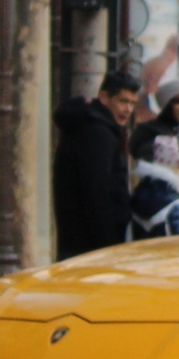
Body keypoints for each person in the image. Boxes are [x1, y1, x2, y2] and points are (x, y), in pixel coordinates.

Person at [52, 68, 140, 258]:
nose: (128, 110)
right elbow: (97, 193)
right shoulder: (98, 134)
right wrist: (108, 246)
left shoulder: (92, 128)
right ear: (105, 97)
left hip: (78, 242)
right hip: (91, 246)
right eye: (123, 101)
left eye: (132, 103)